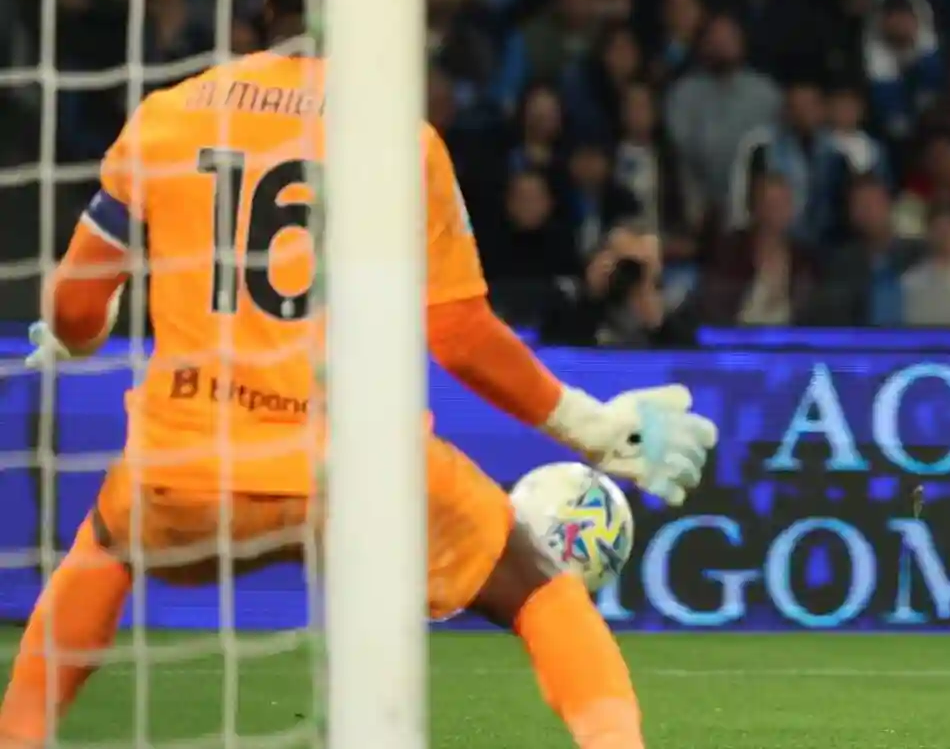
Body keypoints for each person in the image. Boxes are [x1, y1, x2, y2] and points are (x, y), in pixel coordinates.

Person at [0, 50, 717, 749]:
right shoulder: (399, 137)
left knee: (103, 553)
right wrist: (589, 427)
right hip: (358, 465)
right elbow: (461, 336)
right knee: (539, 587)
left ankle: (16, 737)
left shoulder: (168, 115)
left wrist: (73, 335)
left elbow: (74, 305)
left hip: (192, 454)